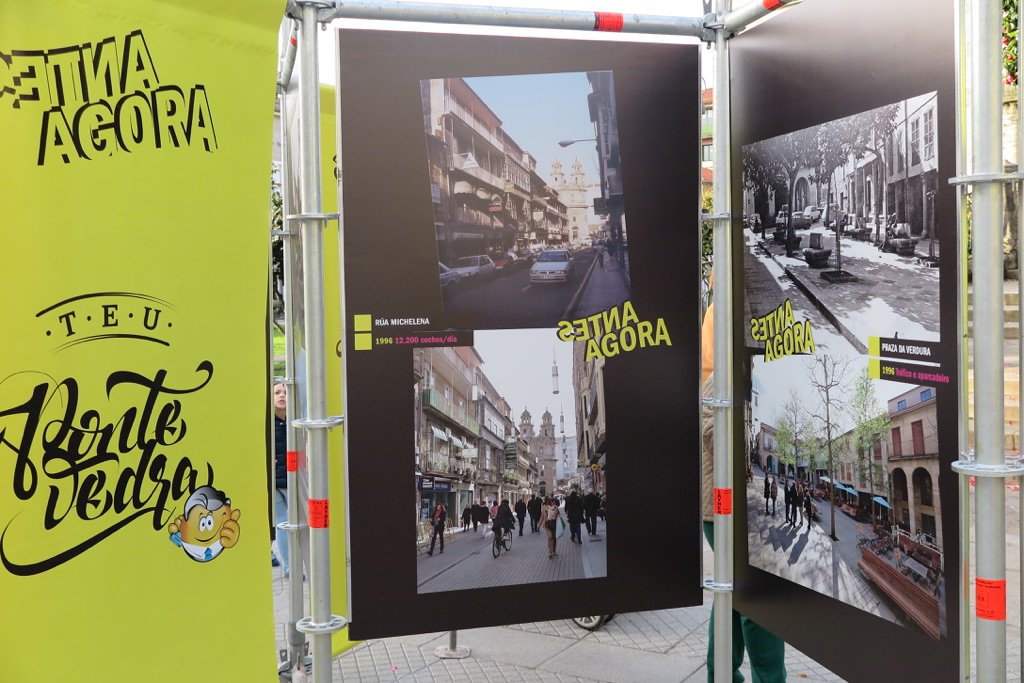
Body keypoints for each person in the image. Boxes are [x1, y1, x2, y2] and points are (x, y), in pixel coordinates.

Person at [702, 272, 785, 682]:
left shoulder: (724, 311)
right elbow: (712, 410)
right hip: (723, 499)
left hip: (727, 498)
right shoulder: (718, 318)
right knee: (756, 596)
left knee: (735, 594)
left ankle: (722, 677)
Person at [272, 382, 289, 575]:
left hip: (293, 480)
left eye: (285, 392)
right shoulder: (269, 423)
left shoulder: (293, 421)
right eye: (277, 392)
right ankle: (289, 567)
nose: (282, 395)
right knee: (284, 523)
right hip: (277, 482)